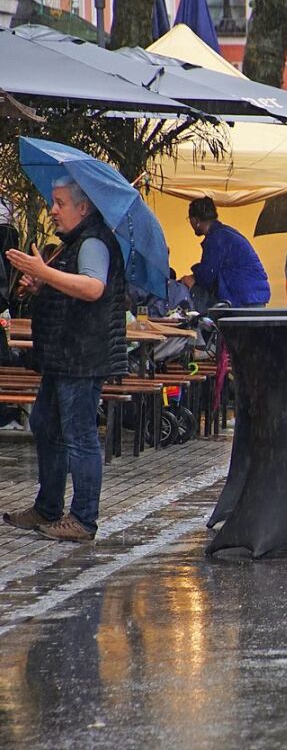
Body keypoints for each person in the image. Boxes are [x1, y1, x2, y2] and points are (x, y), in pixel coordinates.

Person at [2, 176, 127, 542]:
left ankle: (84, 519)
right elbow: (74, 285)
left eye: (60, 203)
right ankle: (48, 506)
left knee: (80, 435)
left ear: (83, 207)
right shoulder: (75, 243)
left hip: (82, 354)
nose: (53, 210)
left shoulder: (92, 242)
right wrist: (42, 284)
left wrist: (44, 272)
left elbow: (93, 287)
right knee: (45, 424)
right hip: (63, 354)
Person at [182, 198, 270, 309]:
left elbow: (207, 276)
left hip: (244, 298)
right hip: (254, 294)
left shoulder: (216, 238)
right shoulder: (225, 233)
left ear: (195, 220)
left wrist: (192, 279)